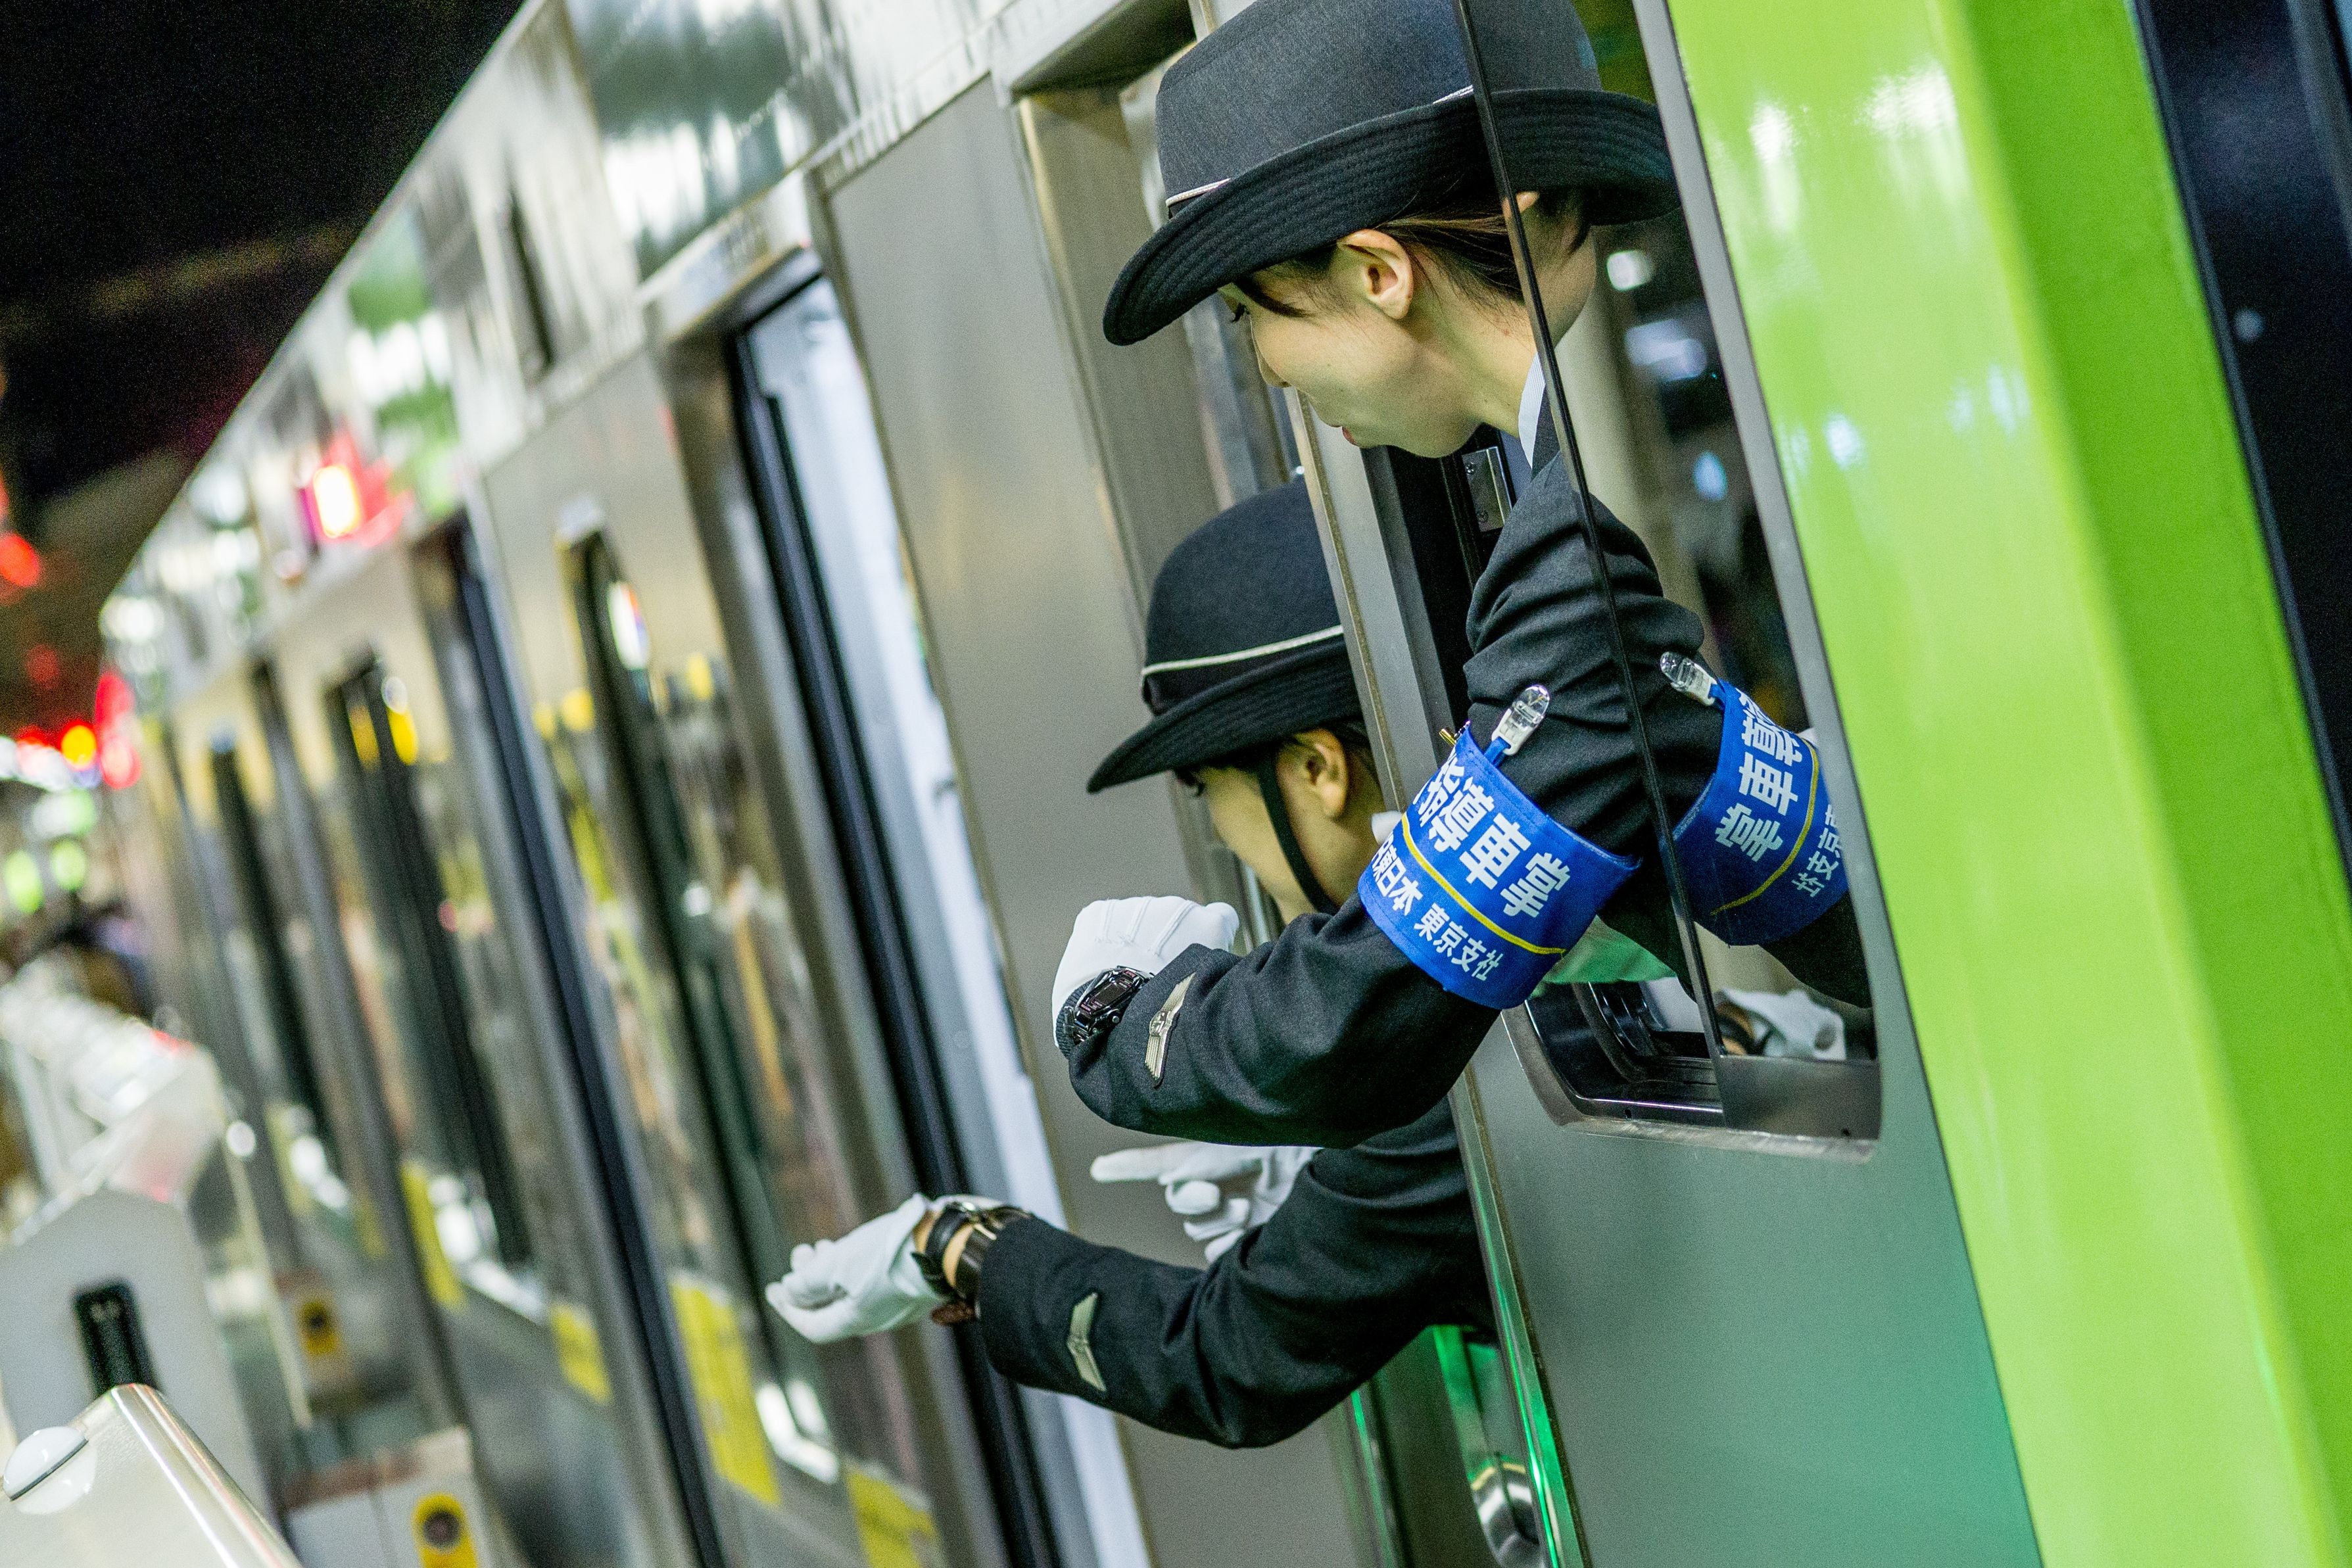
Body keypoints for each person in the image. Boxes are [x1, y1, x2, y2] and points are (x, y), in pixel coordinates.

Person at [1048, 0, 1869, 1150]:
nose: (1271, 371)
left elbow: (1338, 1034)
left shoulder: (1570, 580)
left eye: (1249, 316)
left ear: (1378, 273)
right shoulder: (1575, 501)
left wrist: (1121, 1022)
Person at [769, 485, 1493, 1447]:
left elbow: (1223, 1357)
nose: (1226, 837)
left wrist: (957, 1246)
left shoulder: (1434, 1031)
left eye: (1207, 788)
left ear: (1318, 768)